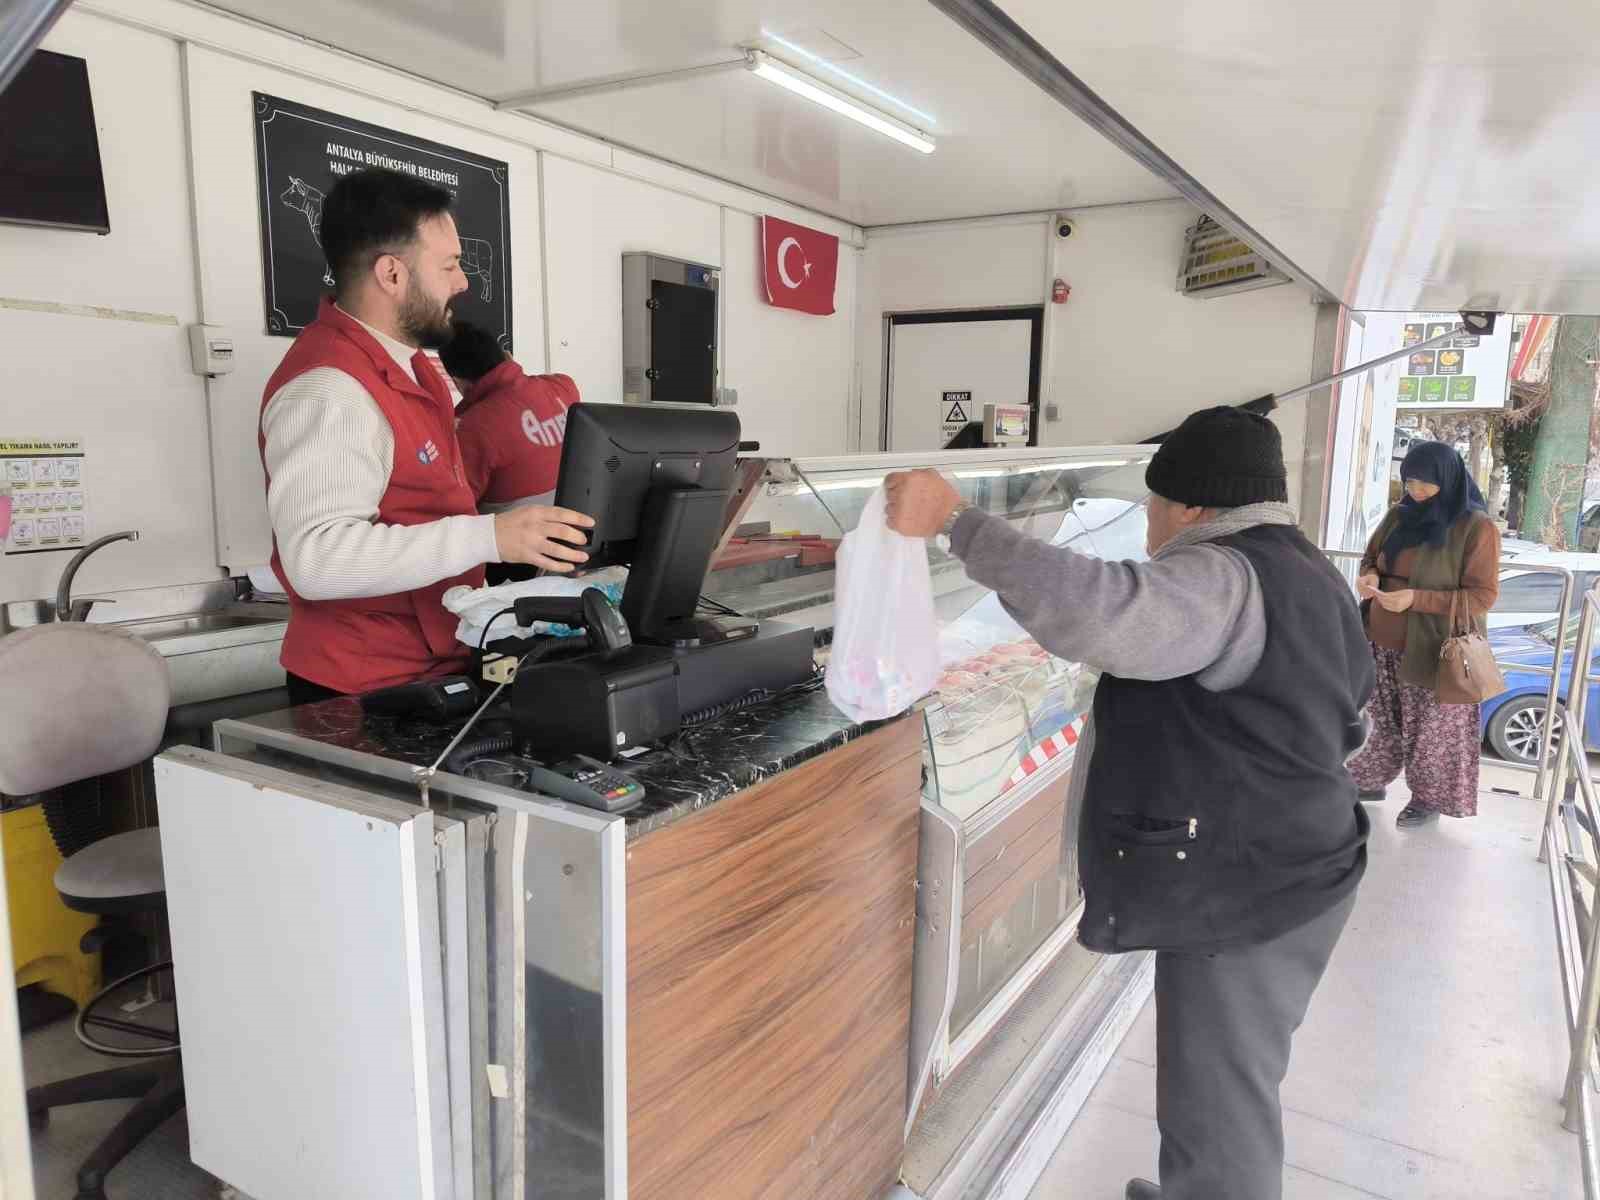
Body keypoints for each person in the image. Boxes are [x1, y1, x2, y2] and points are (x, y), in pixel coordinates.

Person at [883, 408, 1374, 1200]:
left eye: (1153, 504)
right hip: (1302, 860)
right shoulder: (1307, 568)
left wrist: (957, 522)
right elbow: (1352, 716)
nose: (1147, 523)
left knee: (1222, 1100)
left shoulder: (1222, 576)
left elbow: (1102, 612)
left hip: (1253, 886)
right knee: (1221, 1076)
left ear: (1191, 505)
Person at [259, 167, 595, 702]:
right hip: (361, 689)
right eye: (449, 265)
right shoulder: (330, 389)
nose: (462, 282)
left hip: (433, 665)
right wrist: (491, 536)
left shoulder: (415, 370)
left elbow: (428, 509)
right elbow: (317, 560)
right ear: (392, 274)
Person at [1348, 440, 1501, 827]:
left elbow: (1482, 596)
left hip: (1436, 648)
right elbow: (1372, 556)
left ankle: (1428, 799)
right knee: (1377, 719)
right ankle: (1367, 781)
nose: (1415, 490)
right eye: (1409, 482)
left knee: (1434, 731)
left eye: (1424, 483)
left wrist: (1415, 598)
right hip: (1381, 640)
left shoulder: (1476, 527)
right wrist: (1370, 576)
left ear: (1447, 479)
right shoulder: (1398, 516)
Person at [440, 320, 580, 584]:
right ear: (506, 355)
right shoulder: (564, 387)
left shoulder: (471, 427)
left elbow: (453, 508)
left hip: (517, 562)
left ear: (458, 382)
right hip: (573, 540)